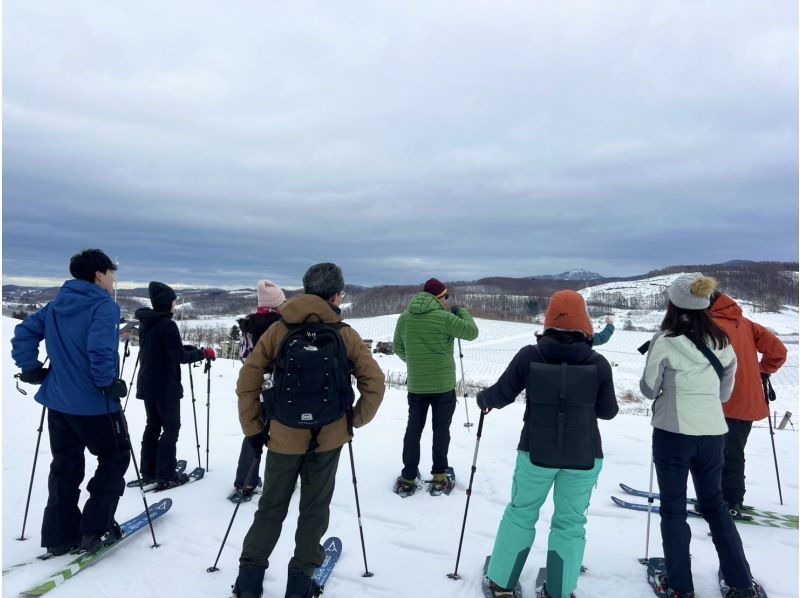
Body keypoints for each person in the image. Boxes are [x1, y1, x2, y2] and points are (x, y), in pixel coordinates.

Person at [232, 263, 385, 598]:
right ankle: (299, 585)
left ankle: (248, 583)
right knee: (314, 510)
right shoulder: (344, 334)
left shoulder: (279, 329)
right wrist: (352, 419)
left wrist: (254, 427)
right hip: (328, 438)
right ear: (335, 295)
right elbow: (374, 382)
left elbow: (248, 379)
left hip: (283, 435)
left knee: (271, 506)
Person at [477, 290, 618, 598]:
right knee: (570, 523)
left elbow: (501, 394)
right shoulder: (599, 362)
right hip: (584, 455)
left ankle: (501, 582)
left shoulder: (531, 355)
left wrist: (483, 399)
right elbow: (608, 412)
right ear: (585, 323)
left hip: (535, 453)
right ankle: (560, 590)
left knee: (521, 512)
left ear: (549, 320)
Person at [640, 274, 762, 598]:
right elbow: (725, 393)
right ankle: (741, 582)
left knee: (674, 508)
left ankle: (681, 586)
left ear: (674, 303)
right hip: (713, 434)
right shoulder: (723, 341)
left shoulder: (665, 340)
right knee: (715, 505)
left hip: (672, 433)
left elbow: (648, 388)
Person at [10, 249, 131, 554]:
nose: (114, 279)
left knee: (65, 465)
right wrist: (106, 382)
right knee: (115, 457)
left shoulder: (56, 305)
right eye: (112, 272)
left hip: (59, 401)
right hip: (93, 403)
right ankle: (94, 530)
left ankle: (59, 536)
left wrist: (31, 368)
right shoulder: (103, 306)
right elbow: (100, 349)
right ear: (98, 275)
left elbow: (23, 333)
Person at [392, 277, 479, 495]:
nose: (446, 301)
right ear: (439, 297)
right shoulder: (445, 318)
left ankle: (409, 477)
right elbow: (471, 332)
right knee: (441, 430)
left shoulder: (405, 318)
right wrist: (462, 311)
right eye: (445, 297)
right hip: (442, 386)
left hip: (417, 385)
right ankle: (439, 475)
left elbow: (397, 347)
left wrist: (415, 361)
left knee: (414, 429)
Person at [709, 291, 787, 517]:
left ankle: (729, 501)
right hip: (747, 402)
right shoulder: (745, 323)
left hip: (718, 401)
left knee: (719, 453)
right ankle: (726, 497)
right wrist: (761, 370)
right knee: (733, 451)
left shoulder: (706, 326)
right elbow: (778, 352)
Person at [135, 281, 215, 490]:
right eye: (173, 301)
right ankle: (165, 474)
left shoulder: (148, 322)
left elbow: (165, 348)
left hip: (148, 383)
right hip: (165, 386)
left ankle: (149, 470)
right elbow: (179, 356)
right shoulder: (167, 325)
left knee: (153, 425)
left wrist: (190, 348)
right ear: (167, 303)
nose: (175, 305)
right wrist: (202, 354)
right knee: (171, 428)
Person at [230, 279, 286, 500]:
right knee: (281, 438)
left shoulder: (249, 327)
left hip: (253, 392)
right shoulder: (281, 328)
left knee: (253, 436)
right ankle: (281, 483)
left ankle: (245, 482)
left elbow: (245, 357)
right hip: (277, 392)